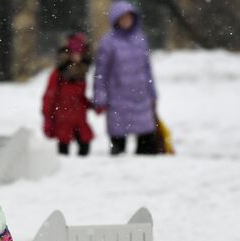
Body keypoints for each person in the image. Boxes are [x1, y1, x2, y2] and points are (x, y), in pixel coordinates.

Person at [93, 1, 159, 155]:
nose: (126, 21)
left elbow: (147, 70)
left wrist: (153, 94)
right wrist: (100, 97)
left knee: (147, 147)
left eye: (129, 17)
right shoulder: (108, 43)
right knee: (118, 148)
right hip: (118, 100)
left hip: (141, 99)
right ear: (116, 20)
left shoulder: (140, 39)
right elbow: (101, 73)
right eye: (122, 18)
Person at [41, 33, 95, 156]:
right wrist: (48, 118)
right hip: (63, 118)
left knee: (85, 144)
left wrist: (91, 104)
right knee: (64, 149)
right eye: (74, 52)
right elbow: (49, 97)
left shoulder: (81, 73)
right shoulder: (58, 73)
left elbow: (79, 96)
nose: (77, 55)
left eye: (79, 52)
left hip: (79, 117)